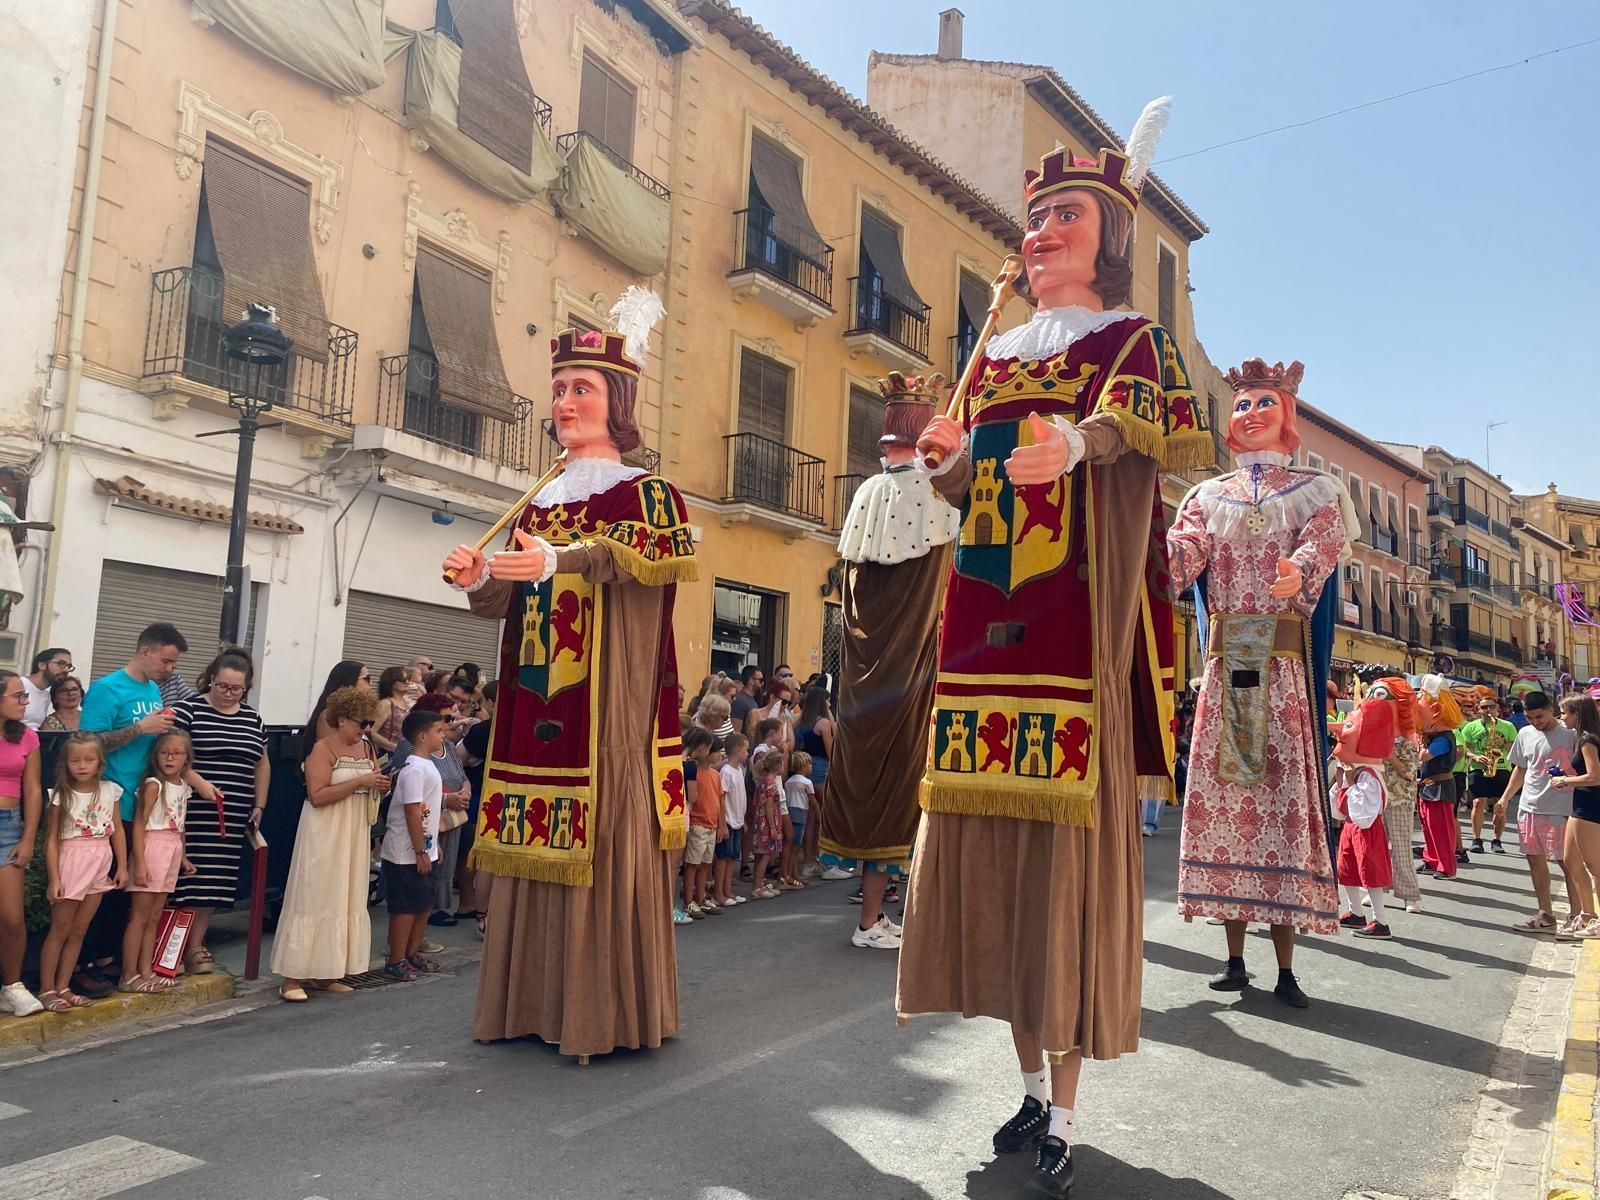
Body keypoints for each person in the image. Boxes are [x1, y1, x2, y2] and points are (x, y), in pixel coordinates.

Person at [898, 100, 1214, 1198]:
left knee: (1063, 892)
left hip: (1074, 647)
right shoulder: (990, 356)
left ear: (1108, 235)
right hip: (984, 646)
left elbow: (1151, 430)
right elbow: (967, 486)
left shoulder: (1131, 344)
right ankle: (1030, 1088)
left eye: (1063, 217)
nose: (1040, 235)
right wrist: (947, 458)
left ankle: (1067, 1115)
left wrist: (1078, 441)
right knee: (999, 883)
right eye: (1034, 220)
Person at [442, 291, 697, 1061]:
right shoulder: (537, 502)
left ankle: (598, 1014)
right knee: (535, 852)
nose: (563, 403)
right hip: (533, 705)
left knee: (598, 844)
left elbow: (639, 560)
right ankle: (526, 1004)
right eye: (558, 389)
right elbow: (510, 600)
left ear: (617, 401)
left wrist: (560, 559)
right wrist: (480, 577)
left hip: (606, 716)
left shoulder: (648, 494)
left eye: (580, 388)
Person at [1170, 357, 1350, 1010]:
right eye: (1241, 404)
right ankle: (1235, 960)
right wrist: (1140, 537)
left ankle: (1287, 969)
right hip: (1230, 669)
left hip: (1279, 670)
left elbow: (1322, 544)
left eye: (1263, 403)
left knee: (1279, 812)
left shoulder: (1315, 491)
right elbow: (1181, 556)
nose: (1249, 414)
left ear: (1287, 415)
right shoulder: (1205, 497)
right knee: (1231, 814)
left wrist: (1297, 572)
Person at [818, 374, 957, 948]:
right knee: (901, 782)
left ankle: (878, 916)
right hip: (906, 676)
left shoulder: (867, 493)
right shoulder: (931, 495)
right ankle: (872, 921)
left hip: (863, 676)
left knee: (877, 776)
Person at [271, 686, 390, 1003]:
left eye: (369, 723)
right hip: (324, 830)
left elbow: (371, 782)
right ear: (341, 719)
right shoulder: (322, 749)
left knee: (343, 897)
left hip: (354, 830)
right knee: (314, 896)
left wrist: (380, 785)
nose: (365, 729)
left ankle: (327, 973)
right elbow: (317, 795)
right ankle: (291, 976)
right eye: (361, 723)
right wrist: (361, 781)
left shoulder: (367, 748)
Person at [169, 647, 269, 976]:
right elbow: (170, 755)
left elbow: (262, 763)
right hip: (191, 809)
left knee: (213, 882)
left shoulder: (253, 719)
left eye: (236, 689)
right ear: (211, 679)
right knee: (184, 880)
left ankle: (196, 945)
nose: (228, 693)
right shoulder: (188, 711)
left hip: (233, 812)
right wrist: (198, 783)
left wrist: (259, 804)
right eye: (222, 686)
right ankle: (170, 948)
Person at [37, 734, 126, 1012]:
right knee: (60, 929)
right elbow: (52, 840)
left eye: (89, 759)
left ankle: (64, 986)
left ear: (99, 762)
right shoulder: (61, 796)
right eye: (75, 760)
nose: (82, 765)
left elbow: (117, 830)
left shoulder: (110, 791)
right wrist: (55, 878)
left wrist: (123, 866)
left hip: (100, 860)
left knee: (79, 929)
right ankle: (47, 989)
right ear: (65, 763)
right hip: (72, 861)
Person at [120, 731, 195, 993]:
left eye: (177, 753)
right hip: (152, 847)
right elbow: (140, 824)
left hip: (171, 848)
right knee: (139, 916)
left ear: (186, 758)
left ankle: (146, 969)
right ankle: (129, 974)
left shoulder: (183, 786)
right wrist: (140, 863)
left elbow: (180, 824)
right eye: (164, 753)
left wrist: (182, 855)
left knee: (154, 916)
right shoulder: (154, 785)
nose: (170, 758)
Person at [388, 693, 471, 928]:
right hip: (423, 820)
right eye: (446, 719)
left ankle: (435, 910)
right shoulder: (411, 750)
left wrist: (464, 792)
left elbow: (462, 775)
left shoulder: (449, 748)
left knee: (444, 864)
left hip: (447, 818)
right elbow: (406, 791)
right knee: (413, 887)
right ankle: (408, 938)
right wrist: (446, 799)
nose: (452, 724)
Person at [1498, 691, 1577, 933]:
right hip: (1529, 807)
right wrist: (1505, 798)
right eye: (1530, 718)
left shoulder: (1571, 733)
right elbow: (1521, 769)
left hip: (1561, 808)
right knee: (1535, 860)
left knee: (1569, 863)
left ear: (1551, 710)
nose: (1535, 722)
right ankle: (1546, 914)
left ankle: (1577, 916)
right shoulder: (1525, 734)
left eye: (1539, 717)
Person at [381, 708, 448, 981]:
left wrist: (432, 845)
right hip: (405, 852)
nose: (443, 736)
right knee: (405, 906)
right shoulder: (413, 769)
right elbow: (412, 810)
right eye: (438, 731)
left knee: (423, 904)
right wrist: (420, 849)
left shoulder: (428, 765)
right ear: (422, 736)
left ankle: (410, 953)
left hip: (424, 848)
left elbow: (428, 810)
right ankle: (395, 959)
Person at [1331, 699, 1397, 940]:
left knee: (1371, 873)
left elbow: (1364, 815)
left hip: (1366, 830)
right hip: (1351, 827)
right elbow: (1338, 809)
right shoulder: (1354, 772)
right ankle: (1355, 912)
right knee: (1346, 869)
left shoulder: (1369, 775)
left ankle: (1381, 921)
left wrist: (1349, 782)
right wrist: (1343, 780)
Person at [0, 671, 44, 1017]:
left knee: (13, 918)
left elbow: (33, 790)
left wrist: (28, 837)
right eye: (18, 696)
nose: (25, 702)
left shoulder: (27, 736)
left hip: (9, 828)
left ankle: (12, 986)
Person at [1368, 676, 1424, 914]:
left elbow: (1409, 772)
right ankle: (1377, 889)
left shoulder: (1407, 742)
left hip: (1400, 799)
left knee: (1401, 849)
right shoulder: (1371, 736)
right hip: (1375, 799)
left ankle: (1410, 896)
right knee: (1375, 848)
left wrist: (1388, 752)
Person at [1552, 695, 1600, 939]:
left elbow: (1595, 776)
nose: (1561, 718)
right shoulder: (1583, 739)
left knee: (1595, 865)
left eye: (1564, 713)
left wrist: (1564, 780)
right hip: (1580, 804)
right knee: (1571, 860)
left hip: (1590, 807)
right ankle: (1588, 914)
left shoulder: (1588, 740)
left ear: (1577, 714)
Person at [456, 679, 499, 931]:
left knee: (473, 853)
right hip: (506, 798)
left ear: (491, 702)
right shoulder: (527, 727)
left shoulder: (483, 730)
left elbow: (459, 759)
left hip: (481, 795)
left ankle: (472, 906)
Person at [1417, 675, 1464, 880]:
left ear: (1436, 711)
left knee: (1442, 830)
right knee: (1428, 827)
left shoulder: (1444, 738)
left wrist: (1420, 744)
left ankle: (1447, 867)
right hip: (1428, 786)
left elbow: (1425, 756)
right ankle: (1431, 860)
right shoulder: (1436, 736)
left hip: (1440, 786)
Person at [1459, 694, 1516, 854]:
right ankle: (1476, 839)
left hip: (1502, 767)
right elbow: (1464, 748)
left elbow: (1515, 750)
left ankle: (1497, 840)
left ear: (1498, 709)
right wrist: (1475, 756)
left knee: (1500, 805)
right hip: (1478, 767)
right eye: (1484, 707)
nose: (1488, 710)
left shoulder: (1508, 726)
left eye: (1491, 707)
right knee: (1478, 802)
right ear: (1479, 710)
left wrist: (1503, 743)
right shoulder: (1470, 727)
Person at [683, 730, 724, 919]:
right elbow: (693, 798)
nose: (719, 755)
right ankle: (688, 901)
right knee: (693, 863)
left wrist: (721, 824)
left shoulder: (715, 775)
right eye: (717, 751)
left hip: (711, 824)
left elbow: (719, 800)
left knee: (705, 864)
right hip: (698, 822)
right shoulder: (695, 772)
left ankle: (700, 898)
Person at [794, 688, 833, 876]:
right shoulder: (823, 723)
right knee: (823, 816)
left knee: (810, 817)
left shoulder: (799, 722)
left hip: (803, 766)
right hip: (820, 768)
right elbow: (831, 749)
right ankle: (825, 862)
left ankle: (808, 861)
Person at [714, 733, 750, 908]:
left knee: (732, 857)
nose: (748, 754)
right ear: (737, 750)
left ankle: (727, 891)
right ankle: (718, 893)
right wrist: (722, 823)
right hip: (728, 821)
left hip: (737, 820)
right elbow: (721, 798)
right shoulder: (726, 771)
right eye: (746, 750)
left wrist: (742, 819)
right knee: (723, 857)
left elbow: (740, 797)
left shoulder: (739, 771)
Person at [748, 747, 786, 901]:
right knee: (765, 856)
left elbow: (755, 802)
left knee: (760, 855)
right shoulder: (771, 784)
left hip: (760, 822)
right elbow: (769, 806)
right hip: (768, 823)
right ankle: (757, 887)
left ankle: (759, 884)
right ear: (777, 765)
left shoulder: (762, 782)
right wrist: (773, 827)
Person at [304, 661, 371, 747]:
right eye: (366, 679)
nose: (371, 683)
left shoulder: (361, 713)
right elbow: (330, 750)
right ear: (349, 681)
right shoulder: (329, 715)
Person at [781, 751, 814, 890]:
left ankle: (793, 874)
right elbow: (813, 801)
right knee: (795, 848)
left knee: (792, 846)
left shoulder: (789, 782)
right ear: (804, 766)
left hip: (789, 812)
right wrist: (819, 815)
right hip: (800, 814)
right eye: (810, 764)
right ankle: (788, 874)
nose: (811, 767)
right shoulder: (807, 782)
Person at [23, 647, 74, 730]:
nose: (66, 670)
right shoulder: (20, 685)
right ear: (42, 665)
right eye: (61, 663)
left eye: (69, 666)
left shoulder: (46, 696)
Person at [371, 666, 411, 755]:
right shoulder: (386, 703)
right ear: (391, 682)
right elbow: (371, 731)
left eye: (408, 678)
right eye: (402, 679)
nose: (407, 682)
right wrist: (392, 746)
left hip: (405, 753)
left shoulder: (407, 703)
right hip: (388, 753)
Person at [731, 665, 763, 731]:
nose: (762, 683)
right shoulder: (739, 701)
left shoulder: (751, 700)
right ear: (751, 680)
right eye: (760, 680)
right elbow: (736, 730)